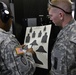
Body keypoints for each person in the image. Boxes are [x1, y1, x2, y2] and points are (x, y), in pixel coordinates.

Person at [0, 1, 36, 75]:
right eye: (11, 17)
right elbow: (25, 72)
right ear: (5, 18)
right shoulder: (9, 41)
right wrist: (29, 54)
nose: (11, 21)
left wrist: (18, 48)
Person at [48, 0, 76, 75]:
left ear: (61, 15)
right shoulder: (66, 30)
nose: (50, 19)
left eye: (51, 15)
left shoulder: (68, 37)